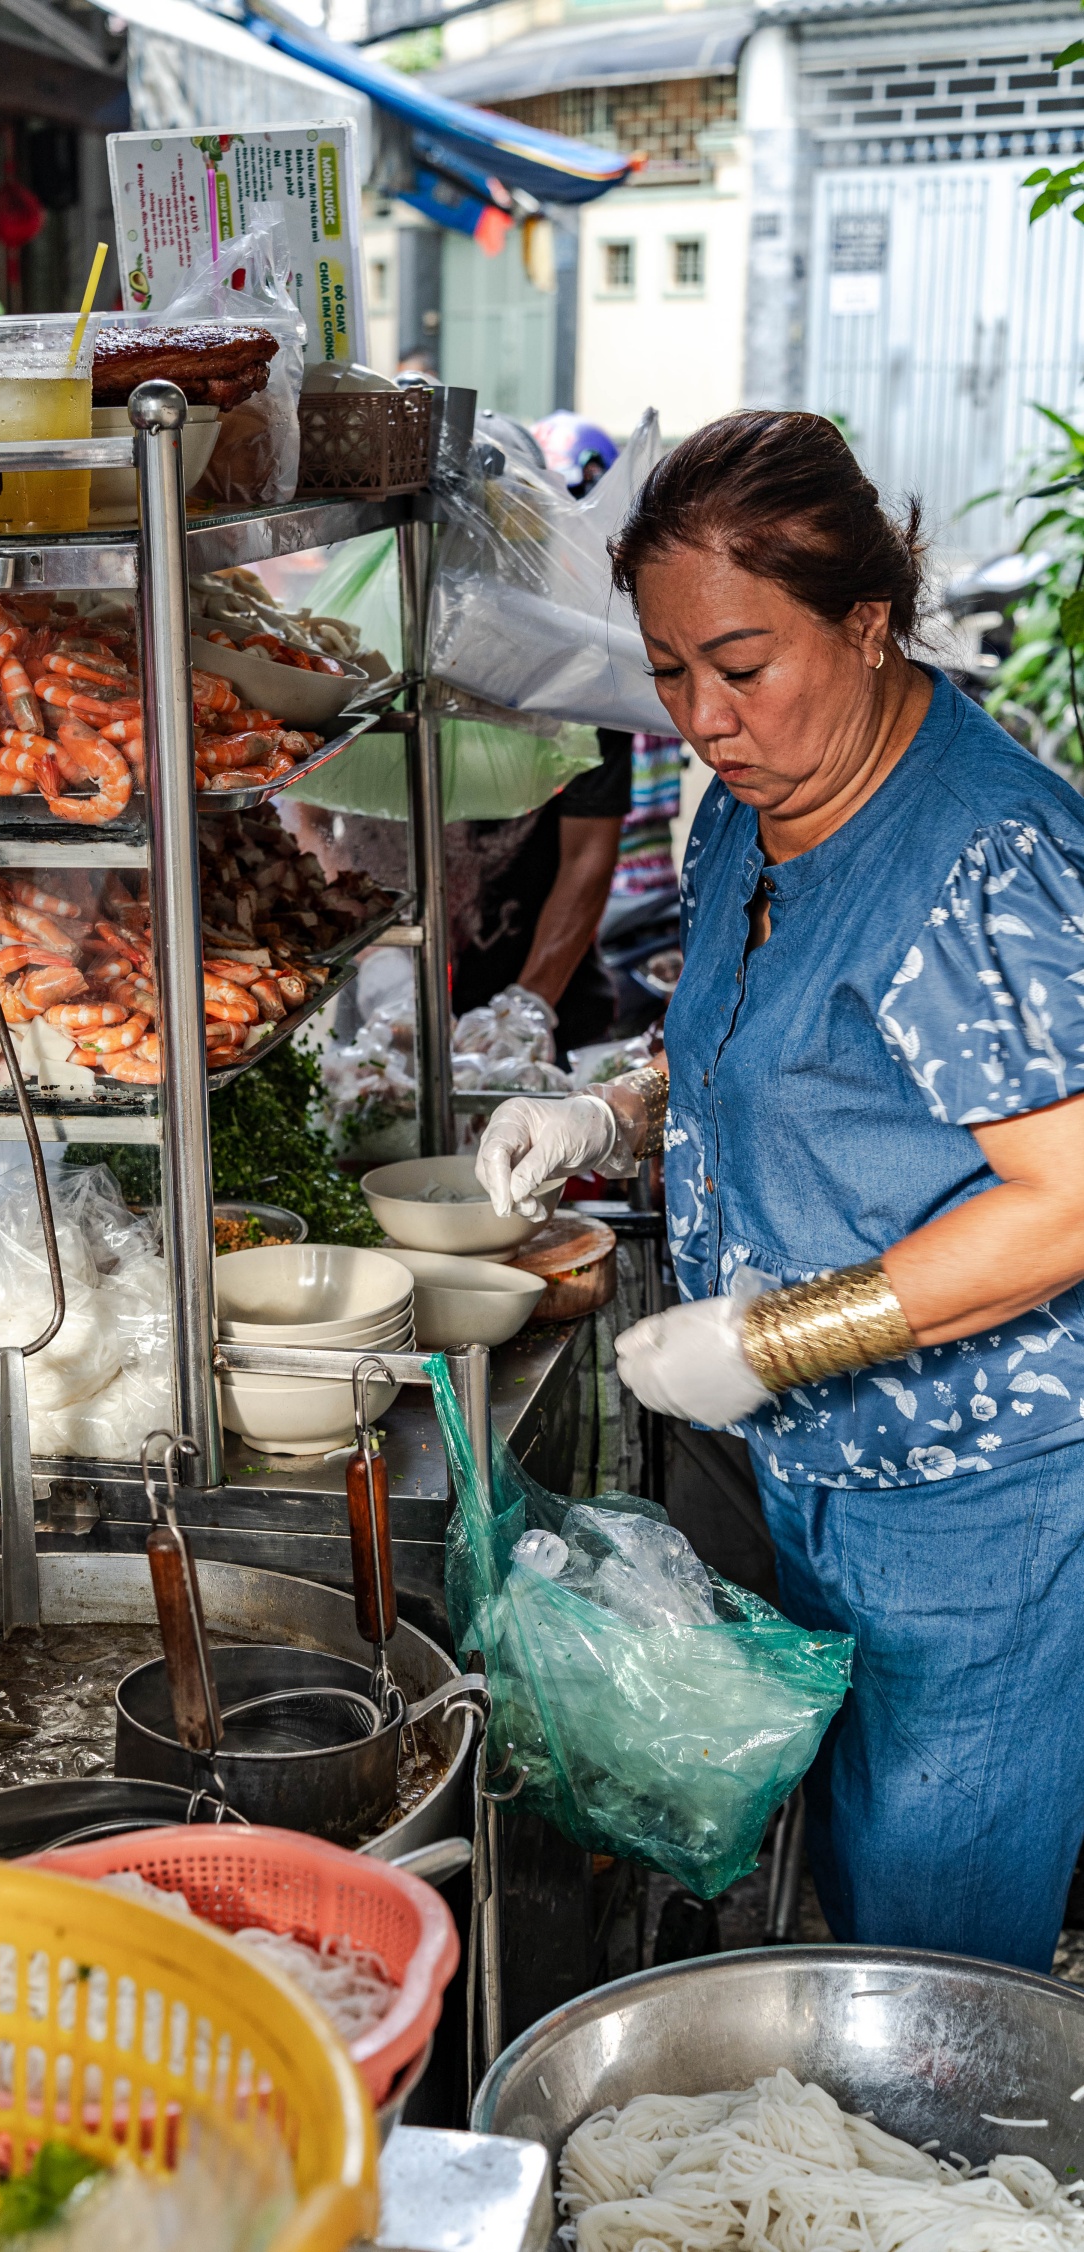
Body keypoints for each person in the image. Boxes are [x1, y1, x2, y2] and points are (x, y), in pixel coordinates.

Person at [475, 408, 1084, 1975]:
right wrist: (606, 1114)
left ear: (869, 622)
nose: (703, 716)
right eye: (670, 673)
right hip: (823, 1471)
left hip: (980, 1503)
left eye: (742, 666)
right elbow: (781, 1052)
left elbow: (1065, 1203)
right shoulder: (762, 808)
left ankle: (961, 2196)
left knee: (936, 1924)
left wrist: (778, 1341)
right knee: (848, 1886)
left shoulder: (981, 863)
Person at [450, 730, 634, 1053]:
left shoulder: (581, 696)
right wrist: (385, 971)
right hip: (394, 1005)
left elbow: (587, 855)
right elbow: (335, 829)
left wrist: (528, 1005)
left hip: (559, 1006)